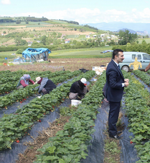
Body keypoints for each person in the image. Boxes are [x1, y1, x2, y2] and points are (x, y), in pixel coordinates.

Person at [106, 49, 129, 139]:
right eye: (121, 56)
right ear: (116, 56)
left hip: (115, 95)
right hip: (114, 95)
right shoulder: (112, 67)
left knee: (114, 114)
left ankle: (113, 130)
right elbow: (112, 84)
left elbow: (115, 80)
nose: (123, 57)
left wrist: (123, 80)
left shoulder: (114, 65)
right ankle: (112, 134)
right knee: (113, 114)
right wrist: (124, 84)